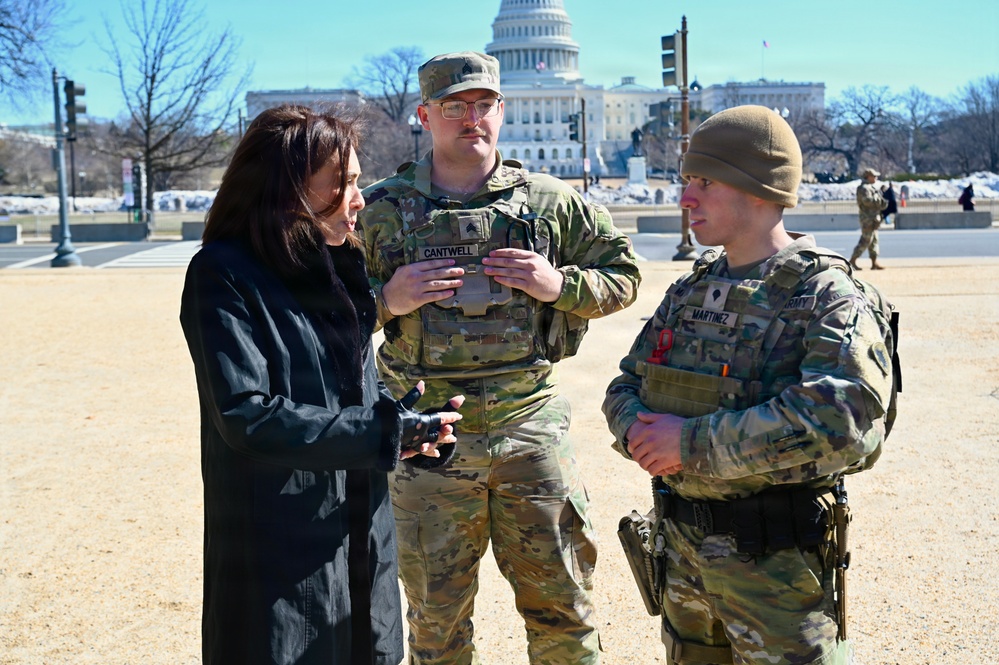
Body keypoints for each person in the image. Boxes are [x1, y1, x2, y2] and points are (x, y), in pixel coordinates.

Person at [359, 51, 641, 664]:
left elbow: (623, 276)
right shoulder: (379, 209)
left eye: (483, 105)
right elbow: (327, 316)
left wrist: (555, 285)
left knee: (564, 609)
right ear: (424, 115)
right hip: (427, 437)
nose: (472, 119)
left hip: (529, 427)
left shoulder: (548, 203)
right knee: (436, 621)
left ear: (501, 111)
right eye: (455, 107)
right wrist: (386, 299)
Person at [603, 105, 894, 665]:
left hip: (777, 572)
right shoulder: (694, 289)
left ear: (760, 189)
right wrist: (640, 434)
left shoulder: (826, 295)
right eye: (687, 180)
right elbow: (625, 386)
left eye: (704, 182)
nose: (686, 197)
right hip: (684, 559)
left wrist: (686, 444)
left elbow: (843, 426)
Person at [179, 105, 462, 665]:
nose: (360, 198)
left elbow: (349, 394)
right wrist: (381, 431)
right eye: (345, 183)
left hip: (362, 535)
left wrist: (407, 429)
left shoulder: (339, 263)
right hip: (279, 546)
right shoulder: (222, 273)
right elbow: (246, 415)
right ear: (290, 188)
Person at [849, 167, 889, 270]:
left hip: (874, 218)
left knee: (874, 240)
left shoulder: (871, 188)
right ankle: (853, 260)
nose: (876, 178)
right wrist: (879, 199)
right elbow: (867, 201)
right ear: (868, 177)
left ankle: (874, 262)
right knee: (866, 240)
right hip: (867, 219)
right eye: (874, 176)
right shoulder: (864, 188)